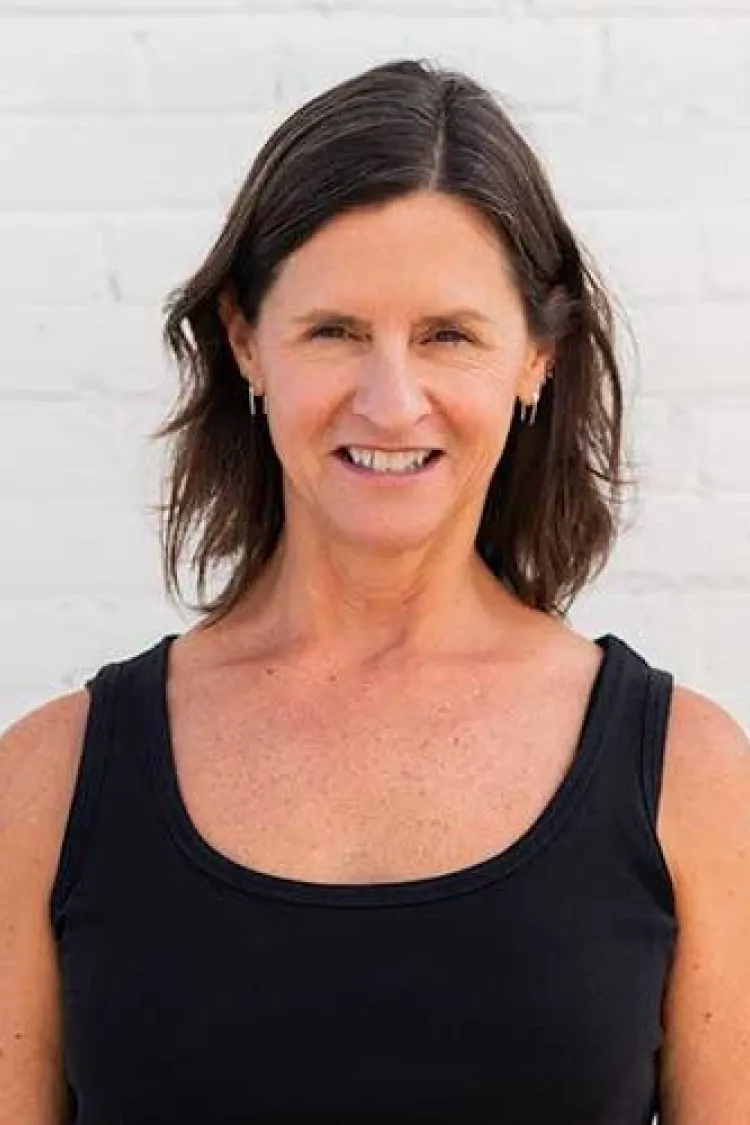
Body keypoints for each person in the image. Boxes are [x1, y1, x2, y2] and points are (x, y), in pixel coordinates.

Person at [1, 57, 748, 1125]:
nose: (392, 402)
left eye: (448, 335)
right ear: (245, 341)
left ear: (536, 357)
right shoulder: (45, 784)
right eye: (336, 332)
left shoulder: (690, 778)